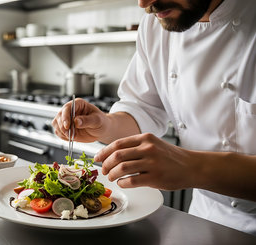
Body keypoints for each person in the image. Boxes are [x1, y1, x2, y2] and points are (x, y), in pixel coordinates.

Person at [52, 0, 256, 235]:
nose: (144, 3)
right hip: (205, 220)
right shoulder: (156, 24)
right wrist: (105, 125)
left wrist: (193, 167)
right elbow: (143, 108)